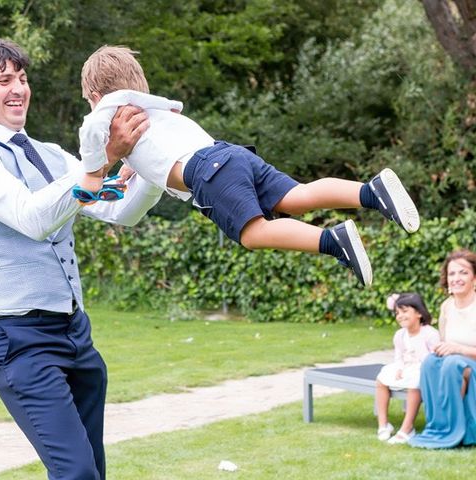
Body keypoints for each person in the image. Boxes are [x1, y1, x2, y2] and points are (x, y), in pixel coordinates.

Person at [0, 38, 163, 480]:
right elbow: (31, 216)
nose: (18, 89)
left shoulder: (52, 156)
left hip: (75, 333)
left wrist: (155, 163)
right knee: (77, 473)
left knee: (91, 471)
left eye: (22, 79)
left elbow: (120, 209)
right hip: (15, 338)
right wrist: (101, 163)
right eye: (3, 80)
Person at [76, 45, 422, 288]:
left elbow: (91, 135)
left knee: (253, 233)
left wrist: (93, 173)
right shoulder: (152, 107)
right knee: (296, 195)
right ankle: (370, 192)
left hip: (207, 173)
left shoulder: (104, 112)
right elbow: (157, 150)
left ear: (94, 95)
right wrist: (127, 169)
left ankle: (333, 240)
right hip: (228, 154)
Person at [409, 249, 476, 449]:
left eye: (463, 272)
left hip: (469, 364)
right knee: (431, 362)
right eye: (452, 273)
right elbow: (446, 342)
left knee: (452, 364)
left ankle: (457, 431)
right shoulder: (447, 306)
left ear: (474, 277)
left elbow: (455, 350)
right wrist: (442, 348)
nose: (456, 278)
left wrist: (459, 349)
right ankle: (440, 427)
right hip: (457, 362)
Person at [375, 293, 439, 444]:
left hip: (424, 368)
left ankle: (407, 428)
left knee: (414, 384)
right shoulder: (399, 335)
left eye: (404, 311)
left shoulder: (430, 333)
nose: (400, 316)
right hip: (406, 367)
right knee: (381, 379)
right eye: (397, 313)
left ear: (418, 313)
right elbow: (399, 356)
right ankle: (383, 424)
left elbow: (433, 359)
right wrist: (399, 368)